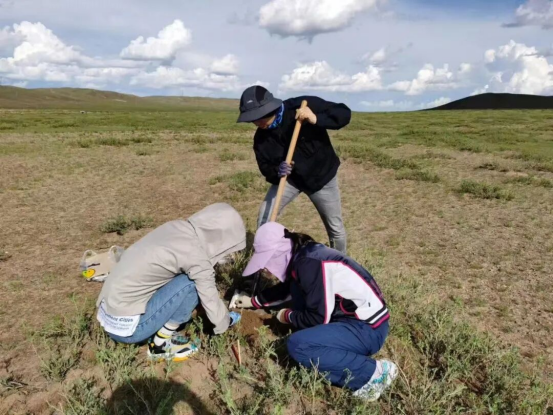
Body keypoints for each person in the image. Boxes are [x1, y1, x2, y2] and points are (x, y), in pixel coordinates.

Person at [234, 222, 397, 401]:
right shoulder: (304, 255)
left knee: (299, 345)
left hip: (367, 329)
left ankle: (374, 373)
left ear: (278, 252)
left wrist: (288, 316)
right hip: (362, 323)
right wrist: (253, 301)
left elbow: (318, 317)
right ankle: (344, 353)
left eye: (266, 260)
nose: (265, 267)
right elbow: (289, 288)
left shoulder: (308, 265)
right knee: (298, 297)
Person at [96, 203, 245, 362]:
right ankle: (160, 345)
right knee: (192, 283)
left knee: (184, 277)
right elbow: (209, 296)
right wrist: (224, 322)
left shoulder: (176, 227)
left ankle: (158, 330)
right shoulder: (196, 256)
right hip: (130, 330)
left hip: (107, 315)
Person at [237, 85, 351, 254]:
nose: (257, 123)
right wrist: (277, 170)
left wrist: (315, 118)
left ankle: (339, 260)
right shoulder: (261, 139)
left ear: (270, 108)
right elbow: (265, 168)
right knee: (265, 218)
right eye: (252, 119)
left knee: (335, 228)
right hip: (290, 180)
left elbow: (344, 114)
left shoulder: (302, 106)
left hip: (322, 179)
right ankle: (264, 257)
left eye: (259, 117)